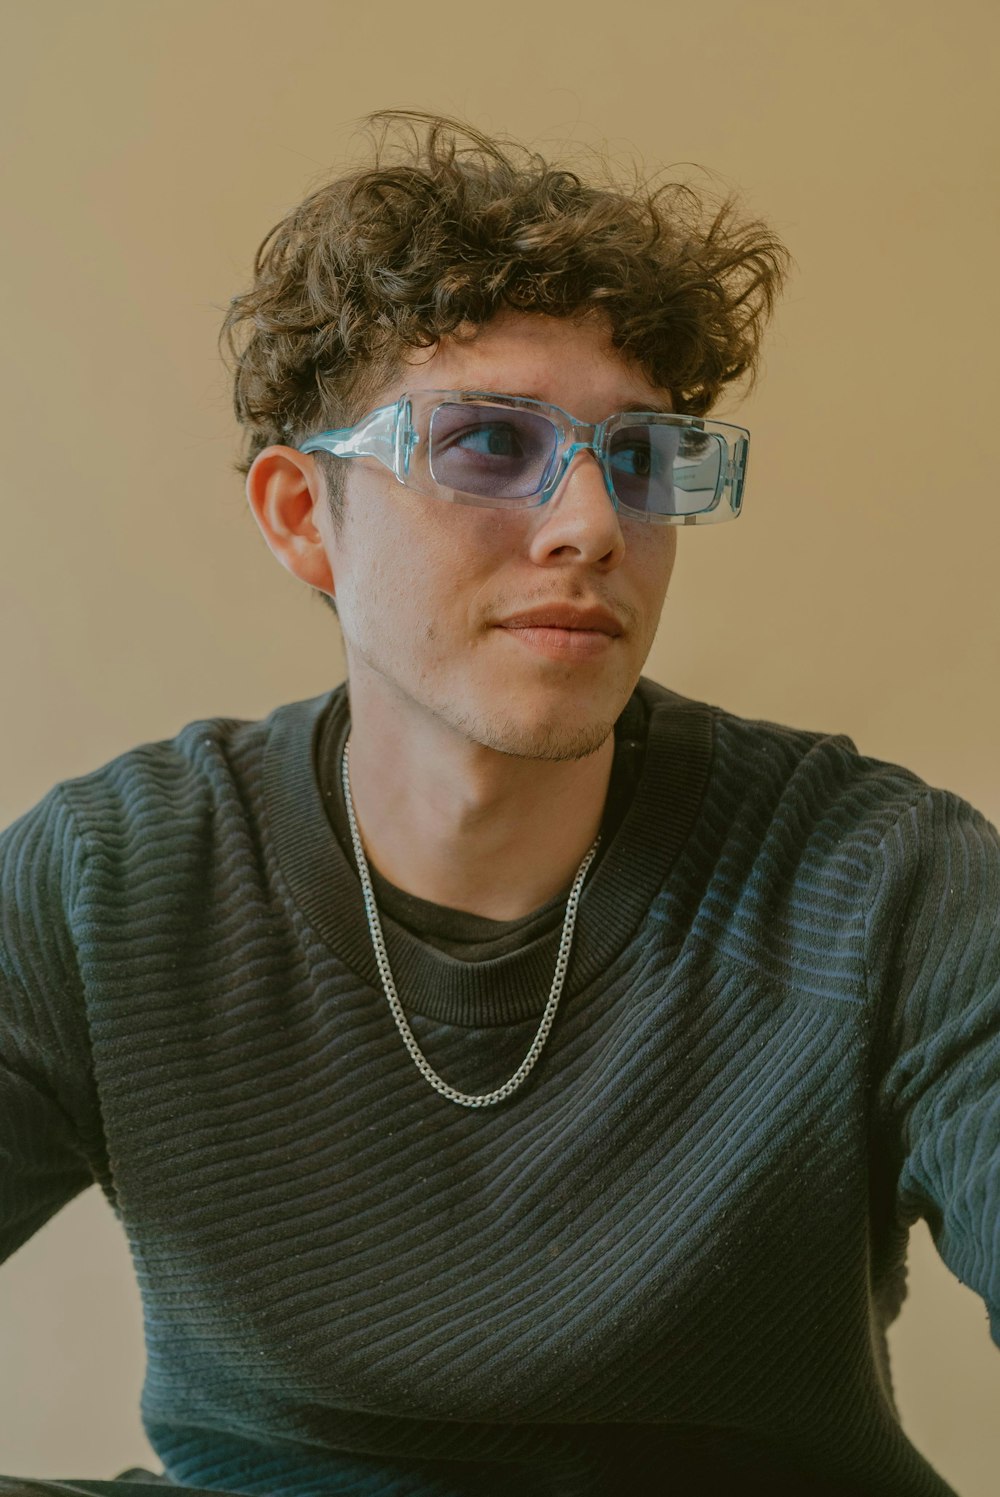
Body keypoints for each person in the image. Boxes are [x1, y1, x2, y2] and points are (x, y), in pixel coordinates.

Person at [0, 109, 996, 1497]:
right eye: (485, 444)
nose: (591, 523)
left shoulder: (877, 875)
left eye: (641, 458)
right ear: (301, 515)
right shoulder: (115, 877)